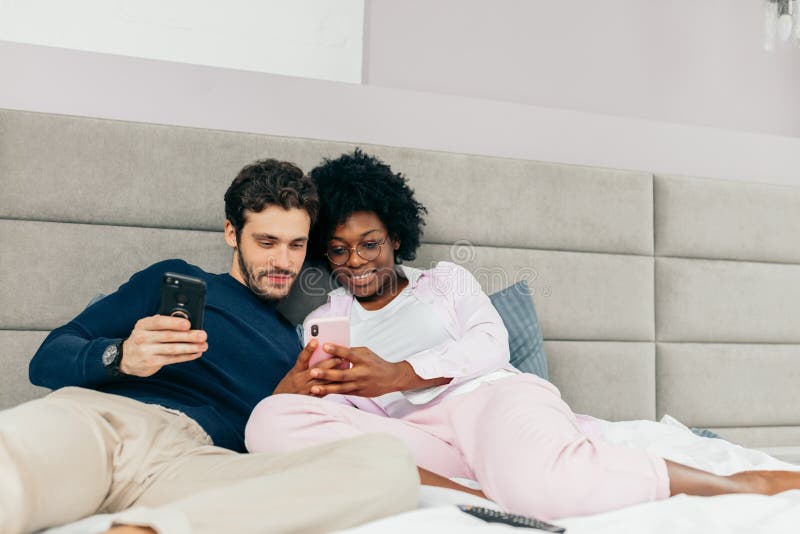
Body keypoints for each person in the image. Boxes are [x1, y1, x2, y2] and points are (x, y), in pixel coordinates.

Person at [245, 149, 800, 521]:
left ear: (395, 236)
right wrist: (308, 384)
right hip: (416, 440)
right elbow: (322, 411)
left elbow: (491, 345)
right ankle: (477, 497)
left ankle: (740, 486)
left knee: (543, 488)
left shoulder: (446, 282)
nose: (356, 261)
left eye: (370, 243)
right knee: (267, 421)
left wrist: (399, 373)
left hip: (485, 402)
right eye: (338, 250)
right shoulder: (329, 310)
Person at [0, 159, 420, 534]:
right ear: (232, 233)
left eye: (297, 245)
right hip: (108, 427)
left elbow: (283, 441)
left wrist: (286, 398)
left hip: (202, 464)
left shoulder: (298, 345)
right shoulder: (178, 278)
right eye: (267, 242)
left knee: (389, 463)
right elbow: (47, 359)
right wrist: (122, 356)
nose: (283, 262)